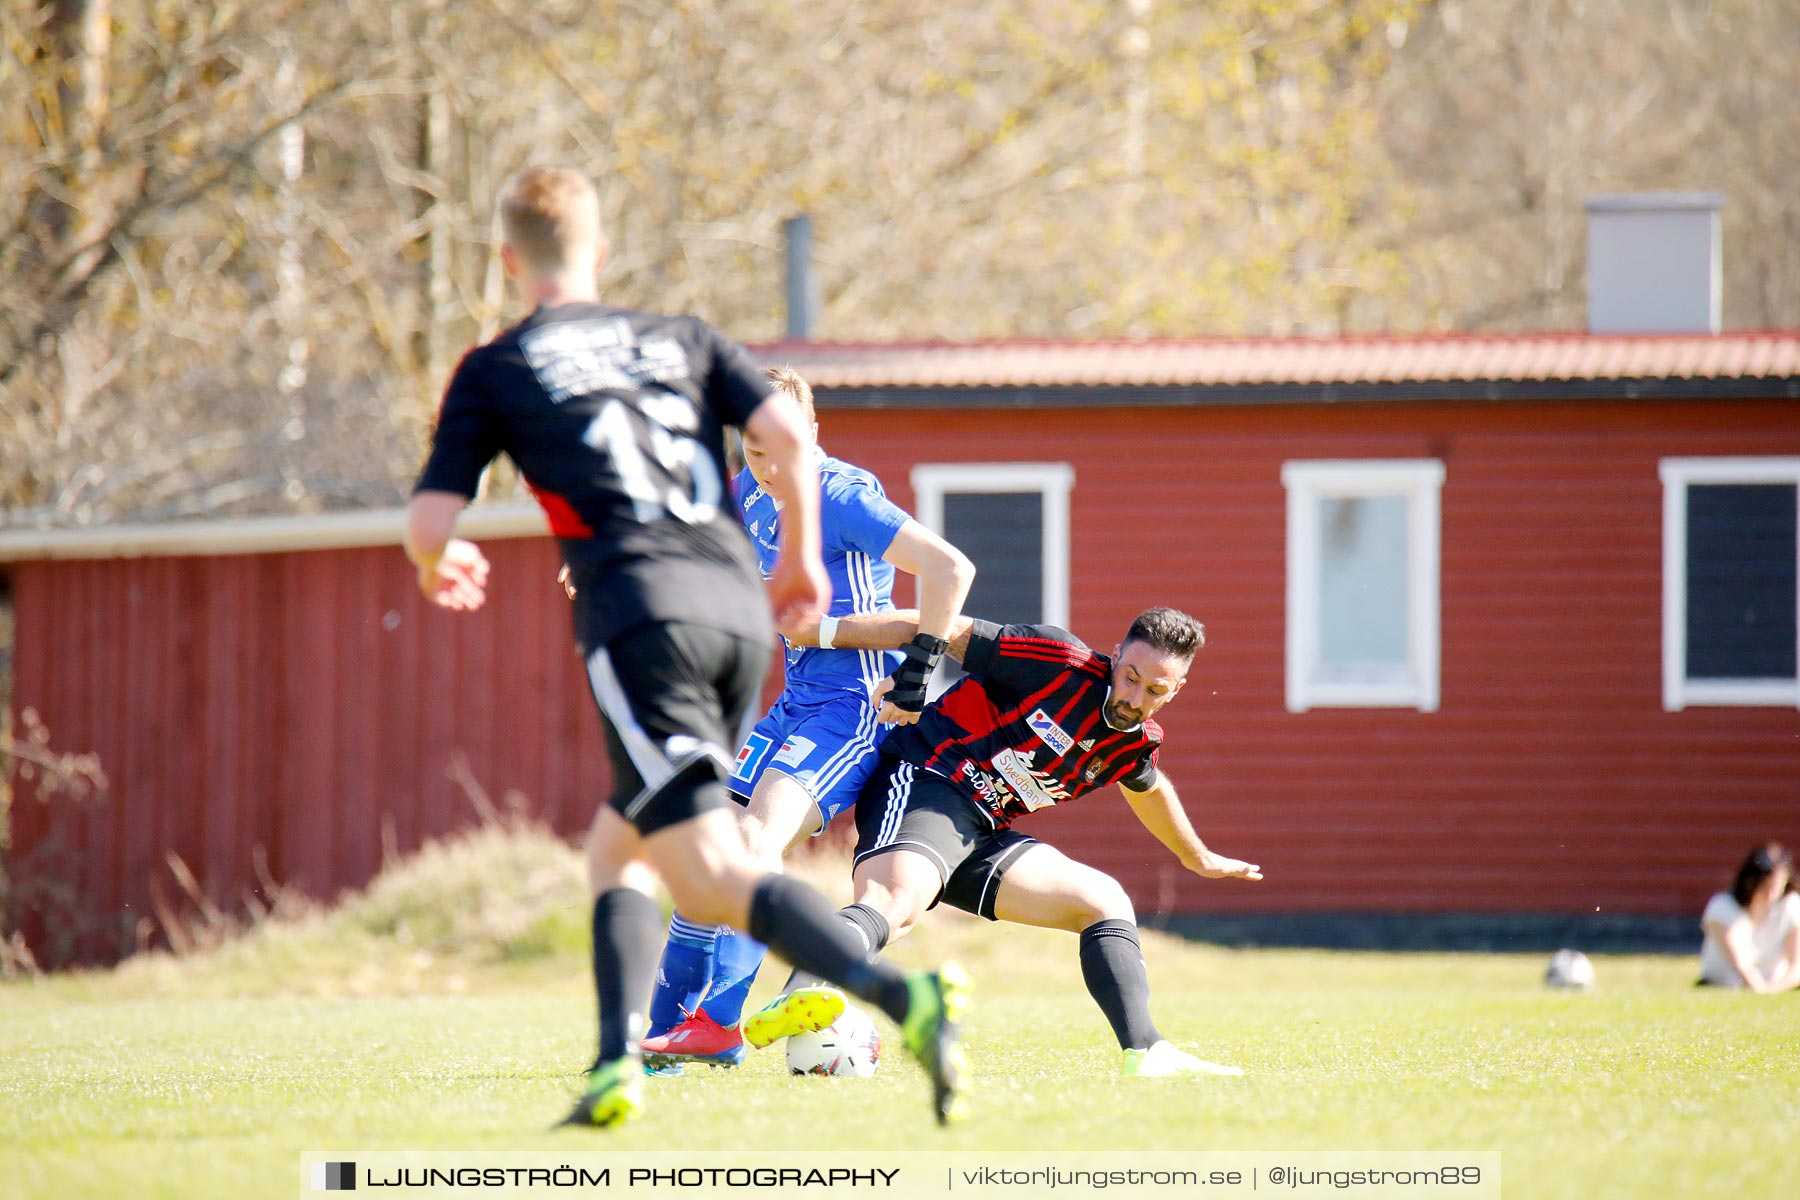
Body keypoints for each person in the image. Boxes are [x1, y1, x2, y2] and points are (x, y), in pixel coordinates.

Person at [404, 166, 969, 1128]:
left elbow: (430, 519)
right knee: (648, 846)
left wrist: (439, 561)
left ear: (506, 260)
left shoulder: (500, 367)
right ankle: (649, 1046)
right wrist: (792, 567)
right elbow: (770, 445)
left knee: (709, 847)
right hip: (749, 656)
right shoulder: (683, 343)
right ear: (604, 251)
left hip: (784, 682)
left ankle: (830, 1005)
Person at [742, 605, 1263, 1078]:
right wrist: (830, 635)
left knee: (1103, 901)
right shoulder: (1058, 661)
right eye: (1131, 677)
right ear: (1117, 655)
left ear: (1178, 690)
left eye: (1155, 691)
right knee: (893, 905)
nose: (1134, 698)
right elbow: (938, 622)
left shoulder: (1135, 742)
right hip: (925, 780)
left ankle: (1147, 1052)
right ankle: (801, 990)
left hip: (981, 828)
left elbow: (1148, 788)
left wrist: (1197, 858)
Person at [638, 367, 975, 1071]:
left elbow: (949, 569)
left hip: (850, 711)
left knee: (757, 840)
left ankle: (720, 1022)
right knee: (710, 855)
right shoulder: (747, 492)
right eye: (754, 448)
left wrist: (916, 675)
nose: (769, 464)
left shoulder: (840, 495)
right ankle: (662, 1044)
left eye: (783, 447)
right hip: (794, 705)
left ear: (813, 436)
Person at [1698, 842, 1800, 992]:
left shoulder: (1790, 906)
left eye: (1776, 887)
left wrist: (1772, 989)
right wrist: (1760, 989)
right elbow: (1740, 963)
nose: (1770, 895)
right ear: (1750, 882)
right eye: (1765, 887)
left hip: (1775, 985)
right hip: (1722, 985)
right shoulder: (1722, 907)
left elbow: (1796, 966)